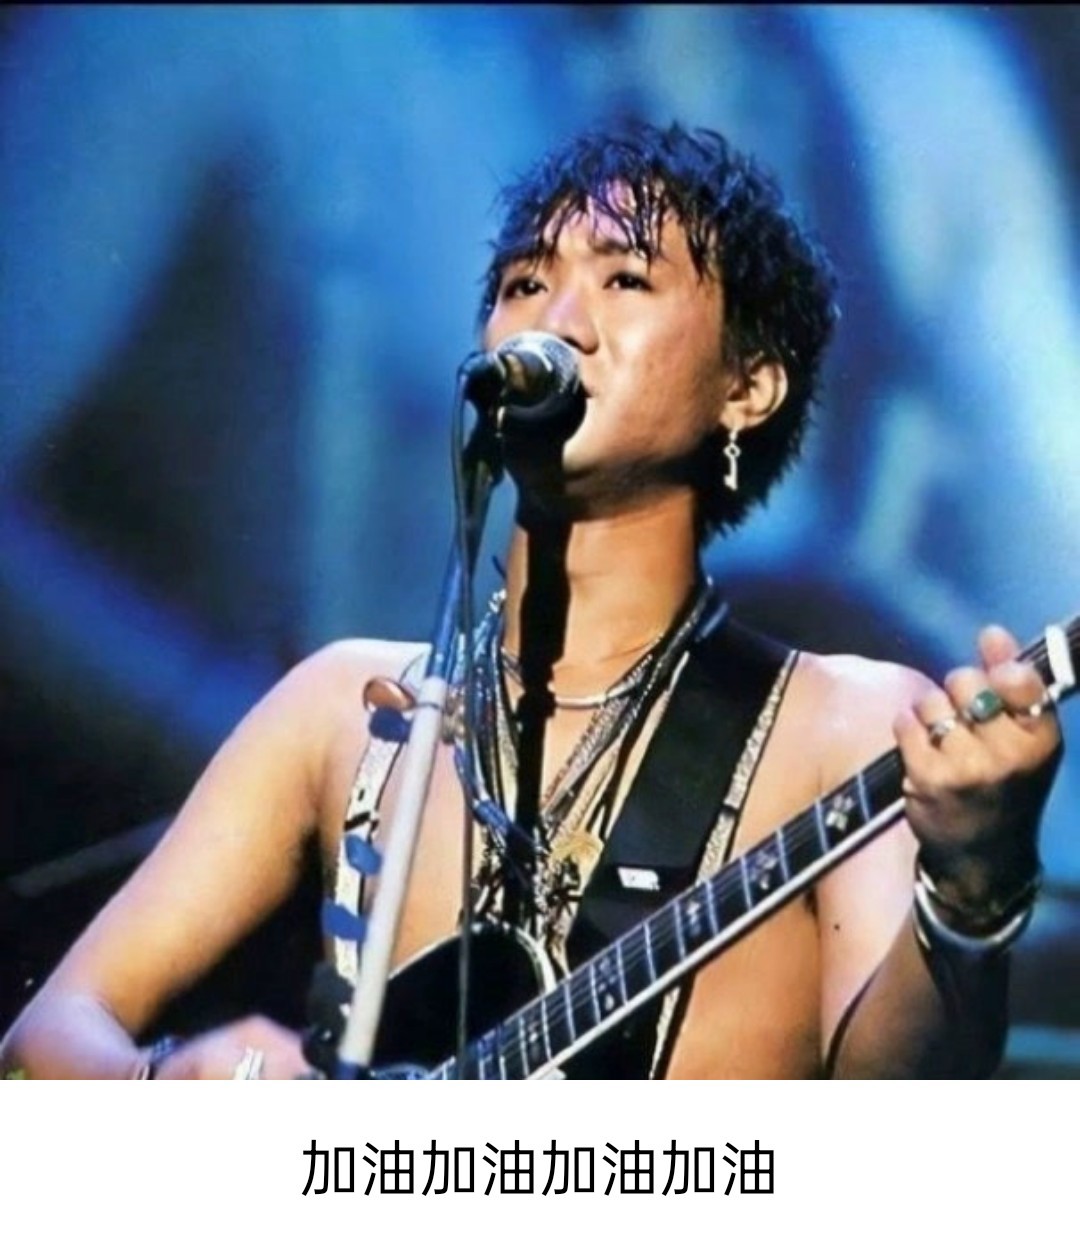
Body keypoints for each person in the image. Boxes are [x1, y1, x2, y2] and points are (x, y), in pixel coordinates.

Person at [0, 121, 1065, 1080]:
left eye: (626, 280)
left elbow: (901, 1120)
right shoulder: (349, 711)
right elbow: (46, 1042)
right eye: (522, 284)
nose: (557, 322)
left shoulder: (847, 725)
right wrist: (174, 1083)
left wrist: (970, 891)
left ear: (747, 388)